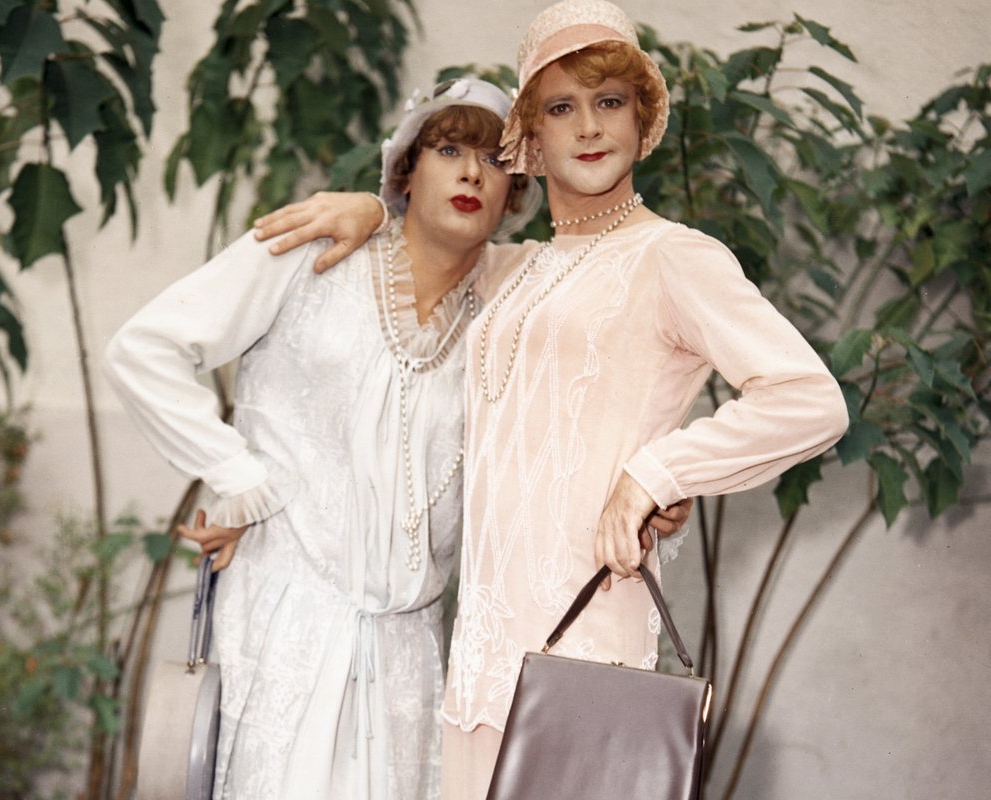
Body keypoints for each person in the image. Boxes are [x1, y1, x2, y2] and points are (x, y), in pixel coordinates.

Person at [252, 2, 849, 797]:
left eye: (610, 102)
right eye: (562, 108)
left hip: (586, 634)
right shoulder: (515, 268)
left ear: (642, 119)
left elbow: (810, 399)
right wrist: (373, 206)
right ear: (530, 137)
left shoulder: (672, 257)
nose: (590, 127)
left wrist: (657, 476)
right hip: (482, 655)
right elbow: (426, 244)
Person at [104, 78, 553, 800]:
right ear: (406, 170)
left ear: (516, 193)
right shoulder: (315, 251)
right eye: (448, 150)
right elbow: (143, 350)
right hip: (282, 625)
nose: (472, 173)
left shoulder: (507, 307)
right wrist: (240, 478)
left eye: (496, 161)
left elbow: (606, 271)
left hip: (404, 655)